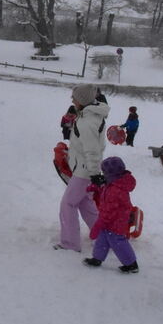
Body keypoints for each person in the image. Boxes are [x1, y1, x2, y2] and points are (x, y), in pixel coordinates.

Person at [55, 84, 106, 252]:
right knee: (87, 206)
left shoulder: (87, 122)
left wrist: (94, 173)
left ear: (82, 101)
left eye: (74, 97)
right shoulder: (88, 115)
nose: (72, 100)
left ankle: (70, 244)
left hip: (84, 171)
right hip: (85, 169)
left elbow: (92, 150)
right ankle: (103, 238)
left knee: (68, 204)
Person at [83, 156, 139, 273]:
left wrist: (98, 225)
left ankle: (131, 264)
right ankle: (97, 258)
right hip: (110, 220)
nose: (103, 175)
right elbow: (106, 191)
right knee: (102, 240)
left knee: (118, 242)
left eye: (104, 172)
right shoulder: (114, 183)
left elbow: (109, 211)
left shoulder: (115, 190)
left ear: (111, 174)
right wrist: (96, 188)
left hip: (116, 222)